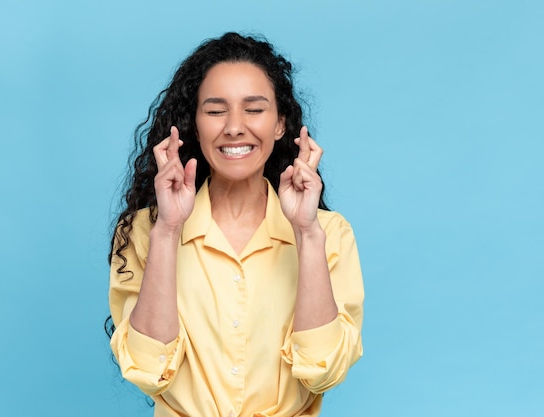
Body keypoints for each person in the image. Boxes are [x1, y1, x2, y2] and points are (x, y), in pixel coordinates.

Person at [107, 32, 364, 417]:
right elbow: (147, 371)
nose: (234, 127)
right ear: (193, 124)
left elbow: (322, 371)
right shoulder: (147, 231)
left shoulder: (329, 233)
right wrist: (168, 232)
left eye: (254, 109)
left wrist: (307, 234)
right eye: (215, 110)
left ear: (281, 125)